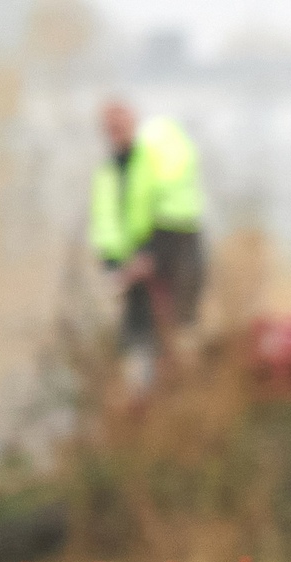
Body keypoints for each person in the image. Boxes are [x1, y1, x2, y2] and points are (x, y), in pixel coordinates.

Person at [88, 100, 206, 382]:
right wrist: (114, 265)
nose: (116, 130)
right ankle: (142, 403)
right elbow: (105, 224)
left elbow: (176, 207)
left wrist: (150, 253)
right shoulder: (107, 174)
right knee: (137, 340)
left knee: (179, 327)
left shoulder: (156, 156)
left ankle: (186, 389)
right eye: (110, 125)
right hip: (135, 270)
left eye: (120, 122)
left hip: (174, 252)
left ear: (133, 121)